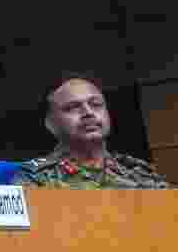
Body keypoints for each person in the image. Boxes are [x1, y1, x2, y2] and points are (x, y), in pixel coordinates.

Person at [15, 73, 169, 189]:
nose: (88, 112)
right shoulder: (35, 178)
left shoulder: (140, 173)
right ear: (50, 124)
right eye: (73, 108)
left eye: (96, 104)